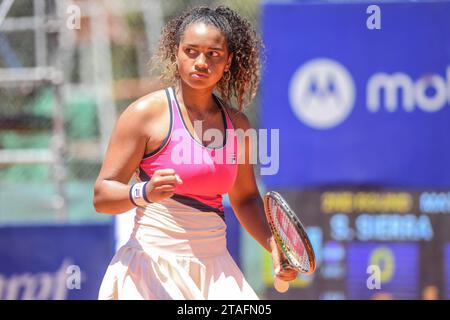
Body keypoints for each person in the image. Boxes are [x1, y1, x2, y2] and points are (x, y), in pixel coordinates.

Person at [93, 5, 297, 300]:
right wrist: (144, 192)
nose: (201, 62)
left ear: (228, 61)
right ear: (176, 53)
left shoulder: (238, 125)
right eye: (191, 51)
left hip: (217, 271)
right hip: (150, 270)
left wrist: (273, 244)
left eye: (213, 54)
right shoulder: (144, 115)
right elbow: (102, 196)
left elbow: (245, 197)